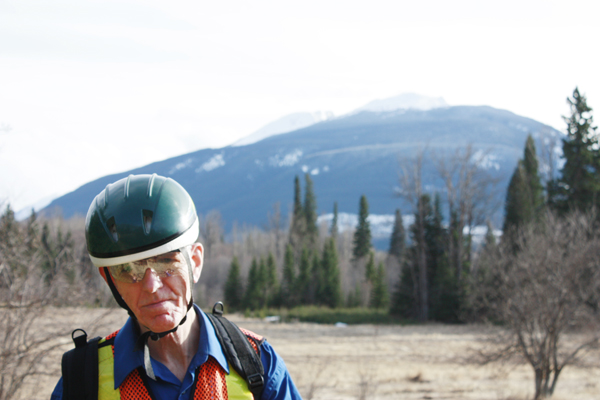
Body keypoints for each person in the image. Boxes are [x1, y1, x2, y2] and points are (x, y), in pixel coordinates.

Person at [51, 174, 301, 400]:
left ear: (195, 261)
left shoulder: (256, 362)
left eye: (165, 262)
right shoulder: (83, 381)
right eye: (129, 270)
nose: (151, 286)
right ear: (109, 280)